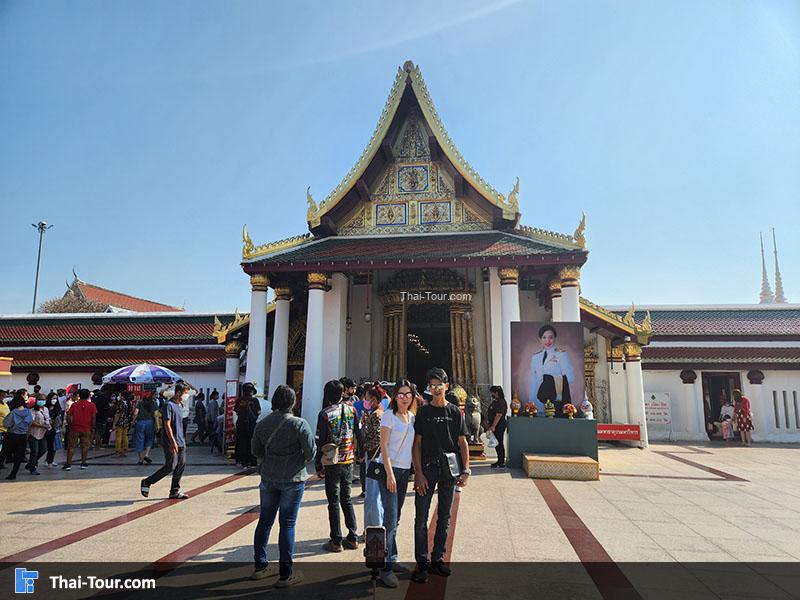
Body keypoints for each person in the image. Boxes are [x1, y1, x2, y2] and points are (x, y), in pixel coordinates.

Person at [250, 385, 315, 588]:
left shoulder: (262, 423)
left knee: (265, 521)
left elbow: (255, 451)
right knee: (287, 524)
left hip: (269, 477)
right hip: (292, 479)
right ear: (293, 402)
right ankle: (286, 574)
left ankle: (260, 566)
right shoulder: (300, 424)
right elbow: (310, 453)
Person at [412, 367, 470, 584]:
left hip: (449, 469)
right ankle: (422, 562)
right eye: (432, 385)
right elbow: (417, 444)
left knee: (444, 517)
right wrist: (418, 473)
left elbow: (462, 442)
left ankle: (438, 559)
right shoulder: (424, 412)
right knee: (421, 519)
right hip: (427, 468)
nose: (436, 388)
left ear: (447, 386)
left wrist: (466, 470)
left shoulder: (455, 412)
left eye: (439, 385)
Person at [375, 378, 417, 588]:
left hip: (403, 472)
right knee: (390, 519)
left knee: (396, 517)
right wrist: (389, 474)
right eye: (401, 394)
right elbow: (383, 446)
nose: (404, 398)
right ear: (395, 396)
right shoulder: (389, 417)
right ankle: (385, 568)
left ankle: (393, 556)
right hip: (388, 472)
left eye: (408, 394)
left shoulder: (411, 417)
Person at [316, 379, 361, 552]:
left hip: (332, 461)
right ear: (342, 393)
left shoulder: (325, 413)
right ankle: (353, 536)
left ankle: (336, 540)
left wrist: (318, 464)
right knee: (347, 498)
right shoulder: (352, 410)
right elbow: (359, 433)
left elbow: (321, 440)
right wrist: (359, 453)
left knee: (333, 501)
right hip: (348, 459)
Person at [141, 382, 190, 499]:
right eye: (185, 393)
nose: (186, 396)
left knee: (181, 465)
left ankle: (174, 491)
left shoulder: (180, 405)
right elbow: (167, 424)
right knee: (170, 466)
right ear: (178, 393)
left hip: (180, 439)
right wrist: (172, 441)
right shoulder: (169, 405)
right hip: (170, 440)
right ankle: (147, 482)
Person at [529, 325, 576, 417]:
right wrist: (531, 399)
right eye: (544, 337)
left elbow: (570, 377)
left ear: (555, 338)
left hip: (555, 396)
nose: (548, 341)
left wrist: (553, 381)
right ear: (540, 339)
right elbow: (534, 379)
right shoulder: (535, 357)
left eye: (551, 337)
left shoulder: (561, 355)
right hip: (538, 396)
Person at [361, 385, 384, 525]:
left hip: (374, 457)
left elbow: (378, 437)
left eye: (368, 398)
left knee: (373, 495)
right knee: (374, 495)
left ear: (374, 400)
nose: (366, 400)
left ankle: (374, 526)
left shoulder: (376, 415)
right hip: (374, 456)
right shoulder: (376, 413)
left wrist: (365, 446)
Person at [63, 388, 97, 471]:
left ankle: (68, 464)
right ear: (88, 396)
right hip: (86, 428)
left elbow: (68, 416)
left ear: (79, 395)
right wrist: (93, 427)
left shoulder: (74, 405)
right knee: (85, 446)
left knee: (71, 446)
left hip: (75, 428)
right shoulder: (92, 405)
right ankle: (83, 463)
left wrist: (70, 425)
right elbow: (93, 417)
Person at [3, 391, 33, 480]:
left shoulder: (13, 412)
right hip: (23, 436)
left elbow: (6, 424)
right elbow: (30, 422)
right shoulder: (28, 412)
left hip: (12, 435)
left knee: (4, 453)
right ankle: (13, 473)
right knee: (18, 456)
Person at [235, 383, 261, 467]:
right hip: (251, 425)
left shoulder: (239, 400)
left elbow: (236, 412)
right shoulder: (255, 401)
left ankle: (242, 461)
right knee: (252, 442)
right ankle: (252, 461)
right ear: (252, 391)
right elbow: (258, 412)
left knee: (241, 442)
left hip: (241, 424)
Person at [26, 394, 51, 475]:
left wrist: (49, 424)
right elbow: (31, 422)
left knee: (43, 449)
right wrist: (42, 426)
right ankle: (32, 468)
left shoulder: (46, 409)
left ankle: (30, 463)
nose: (42, 401)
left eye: (43, 399)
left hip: (43, 433)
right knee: (34, 451)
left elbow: (47, 419)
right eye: (40, 399)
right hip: (33, 433)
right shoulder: (32, 410)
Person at [487, 385, 508, 469]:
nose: (491, 394)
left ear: (496, 393)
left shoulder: (501, 402)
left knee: (499, 442)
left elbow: (498, 415)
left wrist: (493, 426)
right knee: (496, 443)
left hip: (499, 425)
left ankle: (501, 461)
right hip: (495, 425)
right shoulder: (496, 401)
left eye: (492, 393)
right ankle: (499, 460)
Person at [133, 395, 157, 465]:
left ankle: (140, 459)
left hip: (140, 423)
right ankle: (146, 454)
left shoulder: (140, 402)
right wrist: (157, 425)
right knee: (149, 439)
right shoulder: (154, 403)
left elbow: (136, 413)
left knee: (139, 440)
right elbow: (156, 415)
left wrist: (133, 421)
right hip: (150, 422)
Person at [112, 392, 134, 457]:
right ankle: (124, 450)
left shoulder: (120, 403)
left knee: (118, 437)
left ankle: (118, 451)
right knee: (125, 436)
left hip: (120, 421)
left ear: (123, 396)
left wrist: (114, 424)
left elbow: (117, 414)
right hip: (126, 421)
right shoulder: (129, 403)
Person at [44, 392, 62, 466]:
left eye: (55, 398)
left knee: (53, 446)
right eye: (53, 398)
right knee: (45, 447)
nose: (54, 400)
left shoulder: (57, 408)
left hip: (54, 429)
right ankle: (48, 459)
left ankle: (50, 461)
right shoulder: (45, 408)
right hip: (45, 428)